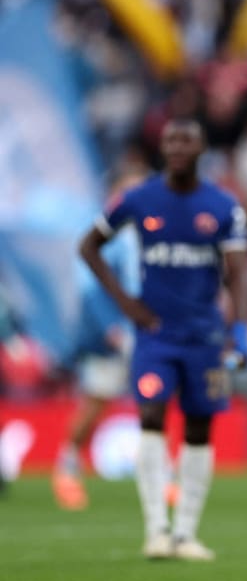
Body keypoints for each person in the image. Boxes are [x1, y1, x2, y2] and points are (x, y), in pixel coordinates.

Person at [78, 117, 247, 559]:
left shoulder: (223, 206)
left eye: (186, 140)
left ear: (201, 149)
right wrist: (125, 302)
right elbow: (88, 246)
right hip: (154, 334)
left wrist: (240, 332)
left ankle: (185, 533)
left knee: (199, 427)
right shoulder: (138, 198)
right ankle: (156, 529)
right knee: (151, 415)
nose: (176, 147)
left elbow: (237, 274)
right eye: (171, 139)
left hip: (205, 337)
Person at [53, 172, 143, 511]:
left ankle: (161, 476)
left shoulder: (148, 235)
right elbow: (91, 291)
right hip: (113, 337)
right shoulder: (106, 236)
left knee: (155, 402)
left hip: (145, 331)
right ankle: (68, 465)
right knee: (96, 402)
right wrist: (112, 328)